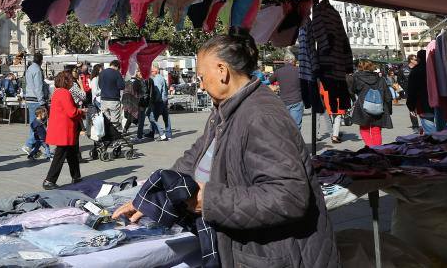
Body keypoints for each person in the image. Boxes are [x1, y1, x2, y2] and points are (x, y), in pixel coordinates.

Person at [113, 34, 338, 267]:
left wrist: (209, 201)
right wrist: (151, 197)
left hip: (275, 254)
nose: (200, 84)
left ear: (222, 70)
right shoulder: (227, 108)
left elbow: (289, 196)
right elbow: (197, 156)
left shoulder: (260, 116)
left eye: (201, 76)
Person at [43, 70, 84, 189]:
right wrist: (82, 112)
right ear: (66, 81)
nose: (72, 81)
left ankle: (76, 176)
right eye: (70, 79)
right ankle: (49, 180)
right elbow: (72, 112)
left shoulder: (57, 92)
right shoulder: (65, 93)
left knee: (72, 153)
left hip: (61, 128)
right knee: (60, 156)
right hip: (64, 130)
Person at [350, 60, 394, 146]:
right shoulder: (380, 79)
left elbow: (352, 90)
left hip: (363, 107)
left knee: (364, 129)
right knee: (376, 130)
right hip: (379, 108)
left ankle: (370, 149)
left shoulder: (357, 78)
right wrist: (389, 110)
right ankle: (377, 150)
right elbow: (388, 96)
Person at [22, 53, 49, 155]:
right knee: (38, 125)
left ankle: (34, 151)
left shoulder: (29, 69)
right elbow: (38, 87)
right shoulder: (37, 70)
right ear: (41, 60)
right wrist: (42, 101)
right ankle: (28, 145)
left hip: (29, 98)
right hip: (36, 100)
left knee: (34, 124)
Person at [269, 54, 304, 130]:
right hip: (297, 100)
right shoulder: (299, 71)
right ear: (294, 61)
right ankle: (295, 141)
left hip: (283, 102)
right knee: (296, 127)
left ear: (285, 61)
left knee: (285, 127)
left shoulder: (278, 71)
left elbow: (268, 81)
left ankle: (287, 141)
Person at [406, 50, 435, 134]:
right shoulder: (434, 68)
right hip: (438, 103)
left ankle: (433, 144)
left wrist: (410, 105)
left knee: (429, 129)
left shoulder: (416, 71)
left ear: (418, 59)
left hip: (424, 103)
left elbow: (412, 90)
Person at [98, 60, 125, 129]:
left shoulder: (102, 73)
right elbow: (121, 86)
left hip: (103, 99)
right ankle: (113, 136)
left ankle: (106, 136)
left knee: (105, 120)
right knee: (114, 121)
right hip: (114, 99)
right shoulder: (117, 73)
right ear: (117, 67)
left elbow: (100, 86)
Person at [399, 54, 421, 129]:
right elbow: (399, 80)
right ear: (411, 60)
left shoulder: (419, 68)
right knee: (412, 109)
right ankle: (415, 126)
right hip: (409, 92)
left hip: (419, 91)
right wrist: (405, 88)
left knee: (421, 108)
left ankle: (424, 124)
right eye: (415, 60)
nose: (417, 61)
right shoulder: (403, 69)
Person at [149, 65, 171, 140]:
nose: (150, 72)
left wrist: (155, 101)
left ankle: (161, 134)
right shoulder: (161, 78)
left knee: (152, 118)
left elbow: (157, 91)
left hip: (159, 101)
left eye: (151, 71)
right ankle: (168, 134)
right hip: (164, 100)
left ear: (155, 71)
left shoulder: (157, 79)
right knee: (166, 118)